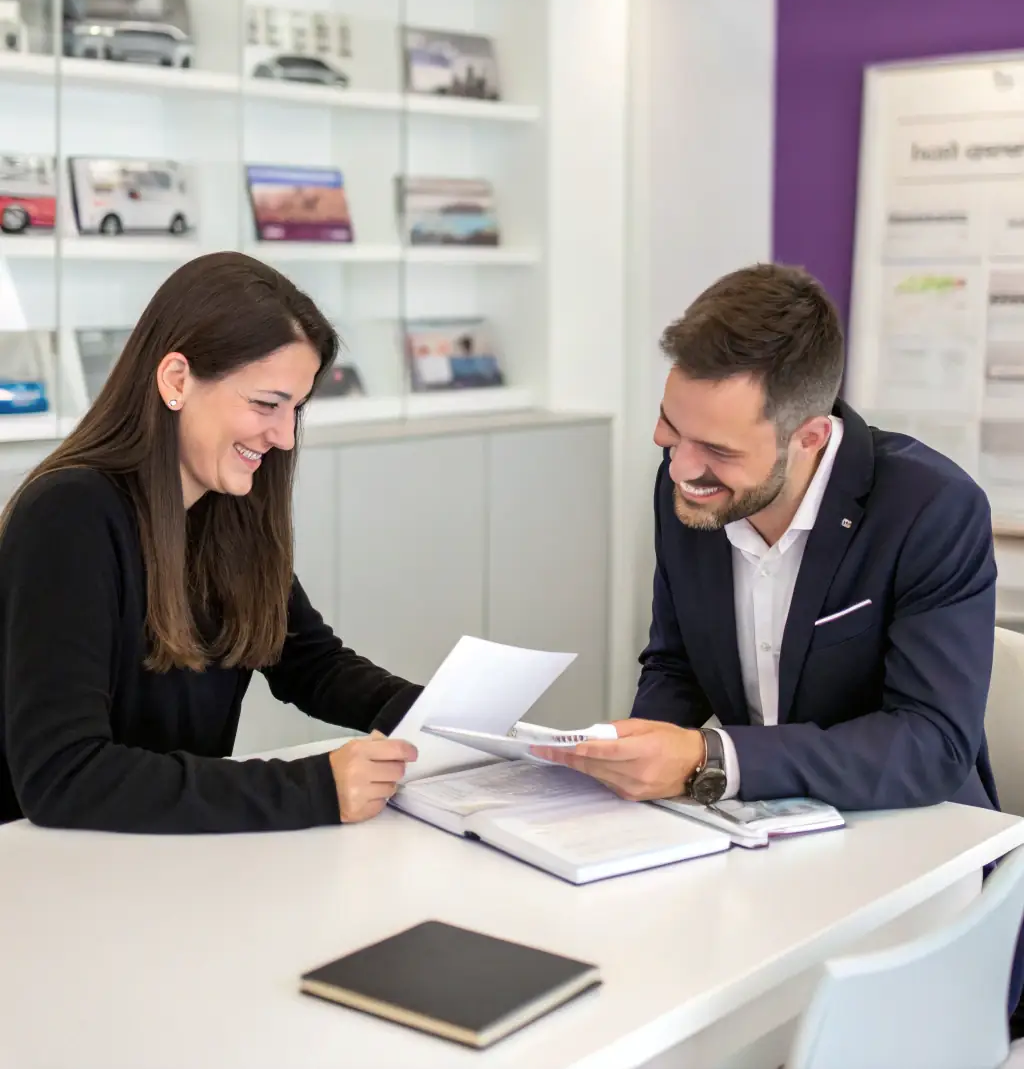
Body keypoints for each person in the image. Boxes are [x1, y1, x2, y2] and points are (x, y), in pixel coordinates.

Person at [534, 262, 998, 814]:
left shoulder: (931, 508)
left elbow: (933, 744)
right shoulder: (690, 485)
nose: (681, 468)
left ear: (810, 437)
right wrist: (630, 761)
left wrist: (712, 757)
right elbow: (678, 664)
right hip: (756, 824)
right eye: (670, 428)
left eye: (717, 450)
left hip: (913, 825)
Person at [0, 251, 421, 834]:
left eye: (295, 409)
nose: (284, 436)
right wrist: (316, 787)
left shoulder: (230, 508)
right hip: (56, 866)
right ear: (176, 380)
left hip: (171, 857)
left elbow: (312, 664)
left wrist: (449, 721)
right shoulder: (68, 515)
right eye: (266, 404)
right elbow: (64, 775)